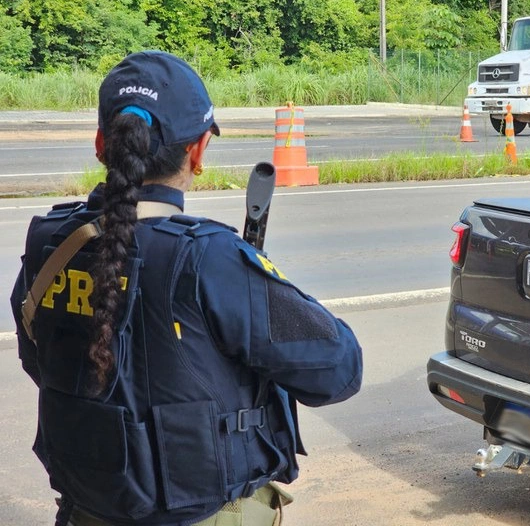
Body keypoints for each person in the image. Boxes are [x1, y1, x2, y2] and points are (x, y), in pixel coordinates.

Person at [10, 50, 363, 526]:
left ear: (101, 144)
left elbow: (41, 360)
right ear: (197, 151)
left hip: (84, 511)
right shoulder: (208, 257)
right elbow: (339, 370)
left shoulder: (49, 243)